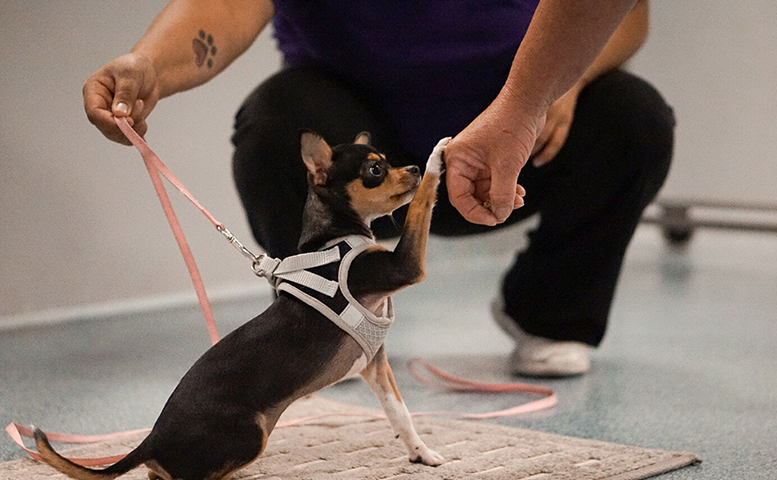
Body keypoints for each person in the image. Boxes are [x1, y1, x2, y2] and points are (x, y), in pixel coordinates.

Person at [84, 0, 674, 377]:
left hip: (517, 125)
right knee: (279, 120)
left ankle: (553, 313)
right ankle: (324, 316)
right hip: (364, 136)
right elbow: (225, 6)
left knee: (632, 118)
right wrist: (150, 66)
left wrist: (558, 83)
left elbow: (626, 10)